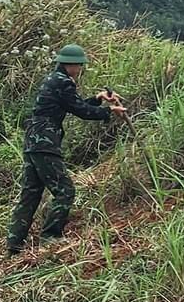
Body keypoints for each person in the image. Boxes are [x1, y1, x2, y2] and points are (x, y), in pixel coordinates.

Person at [7, 44, 126, 252]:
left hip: (33, 141)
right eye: (79, 66)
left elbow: (75, 104)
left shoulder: (54, 80)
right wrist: (109, 111)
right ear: (70, 65)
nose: (80, 69)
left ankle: (14, 244)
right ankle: (50, 237)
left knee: (31, 193)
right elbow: (81, 111)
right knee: (65, 190)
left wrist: (98, 99)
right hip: (45, 142)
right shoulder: (63, 82)